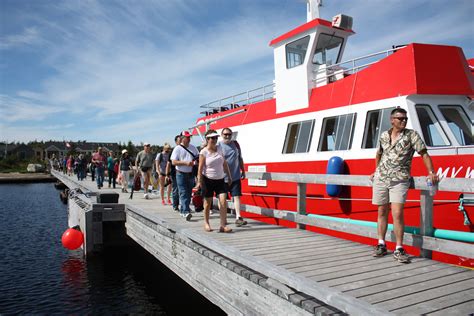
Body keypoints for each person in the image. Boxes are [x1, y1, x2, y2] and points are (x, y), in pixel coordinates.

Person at [371, 107, 438, 263]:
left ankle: (399, 248)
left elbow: (424, 153)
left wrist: (431, 172)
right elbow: (379, 154)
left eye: (405, 119)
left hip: (400, 180)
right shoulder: (383, 136)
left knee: (397, 213)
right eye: (400, 119)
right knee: (381, 211)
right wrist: (376, 170)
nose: (403, 121)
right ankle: (381, 244)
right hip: (381, 178)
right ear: (392, 120)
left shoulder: (411, 135)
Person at [195, 130, 233, 233]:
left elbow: (224, 163)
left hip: (220, 179)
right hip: (208, 180)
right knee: (207, 203)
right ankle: (206, 223)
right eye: (211, 138)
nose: (214, 140)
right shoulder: (203, 152)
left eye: (215, 138)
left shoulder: (220, 148)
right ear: (207, 139)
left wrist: (229, 176)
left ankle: (222, 225)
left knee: (223, 201)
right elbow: (200, 168)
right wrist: (199, 181)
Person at [218, 127, 248, 227]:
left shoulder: (236, 144)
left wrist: (243, 170)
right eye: (225, 134)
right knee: (222, 198)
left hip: (235, 175)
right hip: (222, 177)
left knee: (237, 196)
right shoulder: (218, 145)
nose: (227, 136)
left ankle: (238, 217)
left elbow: (240, 158)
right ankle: (224, 217)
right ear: (222, 135)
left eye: (229, 134)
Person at [171, 131, 199, 221]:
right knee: (183, 192)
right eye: (187, 137)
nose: (189, 139)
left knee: (188, 192)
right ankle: (186, 211)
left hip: (190, 174)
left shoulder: (193, 148)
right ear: (182, 138)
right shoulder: (177, 148)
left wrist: (195, 163)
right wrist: (186, 163)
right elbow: (173, 162)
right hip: (180, 173)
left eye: (189, 137)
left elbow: (198, 158)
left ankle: (183, 210)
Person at [169, 135, 181, 212]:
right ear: (176, 142)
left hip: (185, 173)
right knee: (176, 190)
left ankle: (184, 206)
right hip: (175, 173)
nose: (181, 142)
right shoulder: (173, 151)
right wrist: (167, 174)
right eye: (179, 140)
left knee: (183, 191)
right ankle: (175, 205)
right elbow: (168, 164)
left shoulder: (186, 149)